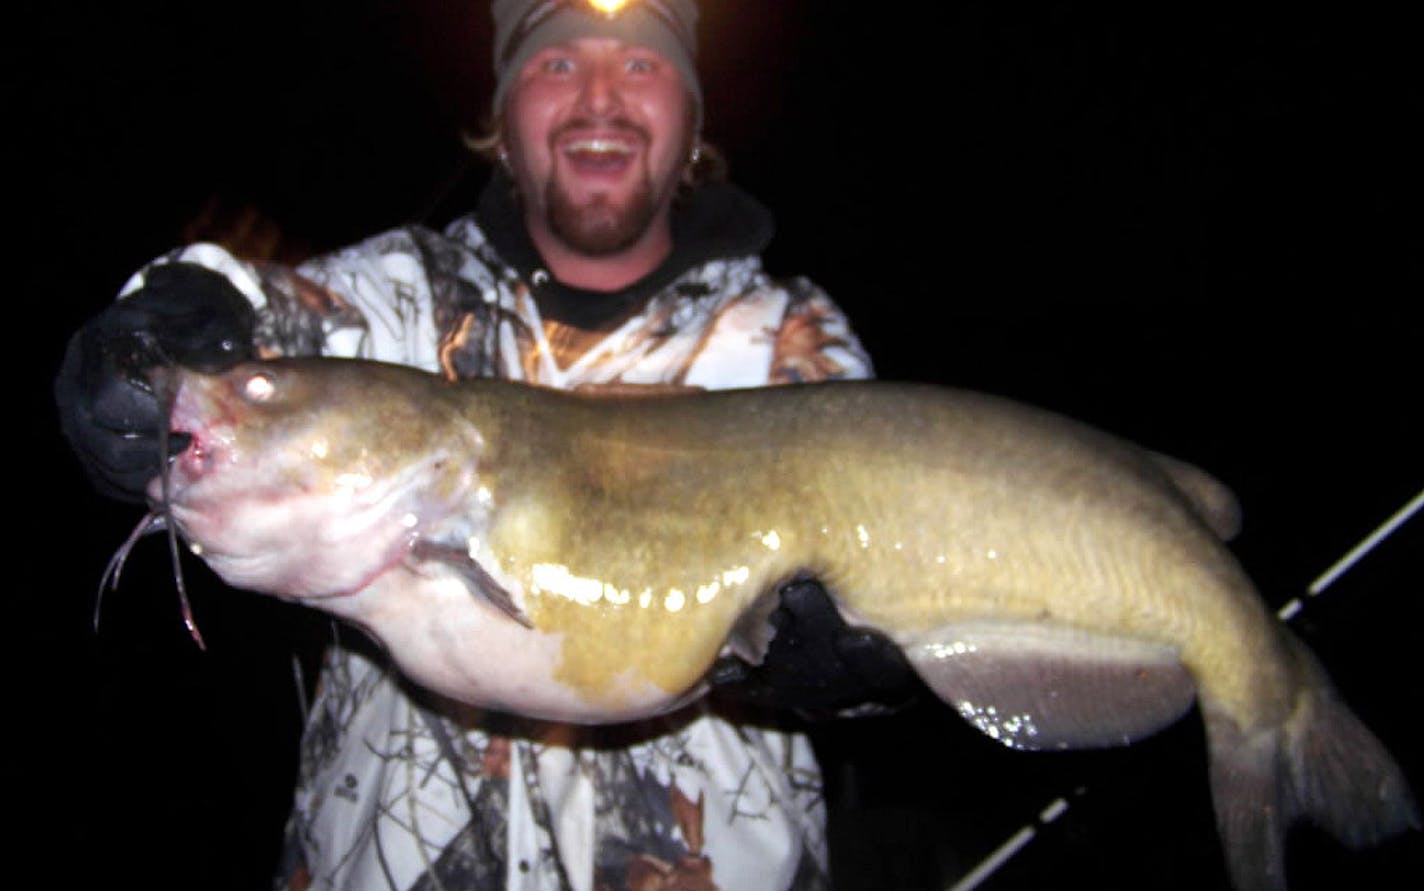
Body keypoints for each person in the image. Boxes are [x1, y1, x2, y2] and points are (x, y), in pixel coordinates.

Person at [55, 1, 916, 888]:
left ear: (694, 121)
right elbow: (260, 314)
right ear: (499, 122)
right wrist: (177, 330)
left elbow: (910, 578)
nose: (599, 99)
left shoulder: (791, 339)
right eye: (556, 65)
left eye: (641, 65)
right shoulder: (399, 295)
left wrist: (869, 660)